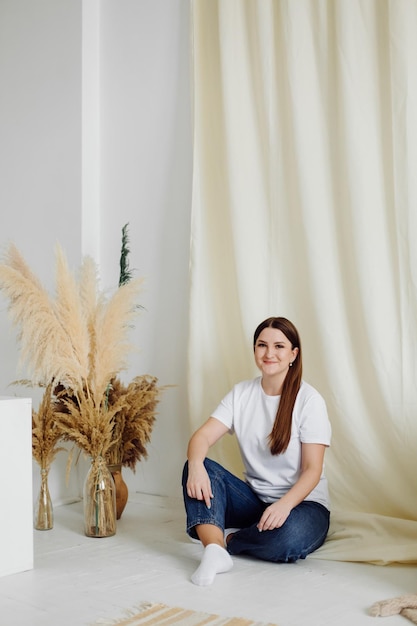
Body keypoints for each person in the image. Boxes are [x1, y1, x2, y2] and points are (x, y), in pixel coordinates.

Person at [182, 316, 331, 586]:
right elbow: (201, 437)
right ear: (254, 351)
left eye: (279, 346)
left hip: (303, 506)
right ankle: (214, 552)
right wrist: (195, 465)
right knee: (198, 465)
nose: (269, 353)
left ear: (293, 355)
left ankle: (225, 540)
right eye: (262, 345)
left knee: (289, 538)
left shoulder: (309, 400)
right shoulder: (241, 393)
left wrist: (284, 505)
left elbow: (313, 470)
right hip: (255, 502)